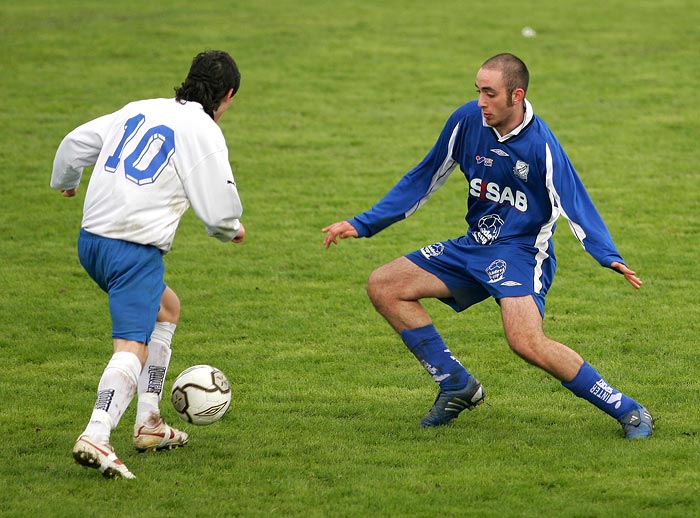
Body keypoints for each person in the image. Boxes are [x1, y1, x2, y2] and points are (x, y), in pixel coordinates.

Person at [322, 53, 654, 439]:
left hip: (520, 253)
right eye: (478, 91)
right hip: (474, 246)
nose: (481, 101)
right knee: (385, 285)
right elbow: (424, 177)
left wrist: (607, 255)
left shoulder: (540, 147)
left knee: (526, 342)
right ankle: (456, 383)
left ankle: (628, 410)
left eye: (489, 93)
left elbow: (574, 201)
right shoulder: (467, 121)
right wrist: (363, 223)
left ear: (517, 95)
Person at [51, 50, 246, 479]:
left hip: (91, 244)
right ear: (227, 95)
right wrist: (231, 229)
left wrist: (66, 182)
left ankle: (149, 422)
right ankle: (97, 433)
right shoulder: (205, 130)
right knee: (131, 347)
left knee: (167, 309)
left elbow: (73, 143)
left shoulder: (139, 109)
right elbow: (216, 212)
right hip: (132, 251)